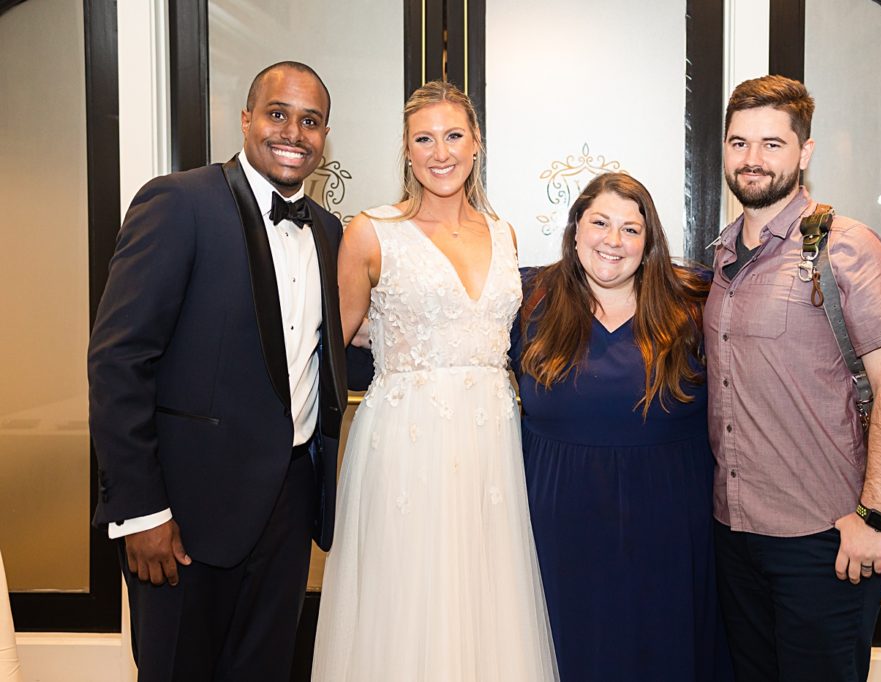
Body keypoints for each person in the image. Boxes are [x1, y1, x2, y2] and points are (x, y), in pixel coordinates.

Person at [88, 62, 346, 681]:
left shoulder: (331, 232)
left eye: (310, 121)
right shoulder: (179, 201)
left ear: (324, 135)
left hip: (288, 504)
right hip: (184, 512)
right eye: (277, 114)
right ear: (247, 119)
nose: (293, 132)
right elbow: (119, 360)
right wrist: (142, 511)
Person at [311, 81, 558, 681]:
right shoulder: (371, 231)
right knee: (410, 593)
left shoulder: (505, 234)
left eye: (453, 136)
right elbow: (329, 348)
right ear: (405, 148)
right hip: (405, 443)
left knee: (485, 594)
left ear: (476, 145)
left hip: (491, 446)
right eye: (424, 138)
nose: (439, 152)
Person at [705, 75, 881, 682]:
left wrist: (875, 517)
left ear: (805, 151)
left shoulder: (845, 247)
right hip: (734, 534)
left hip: (825, 540)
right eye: (739, 143)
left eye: (772, 143)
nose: (752, 159)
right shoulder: (719, 258)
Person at [512, 172, 734, 681]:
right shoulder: (528, 298)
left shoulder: (694, 301)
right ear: (574, 231)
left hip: (671, 531)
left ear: (649, 242)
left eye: (631, 230)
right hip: (558, 529)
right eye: (600, 223)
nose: (613, 241)